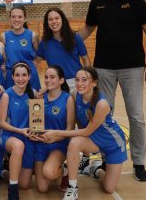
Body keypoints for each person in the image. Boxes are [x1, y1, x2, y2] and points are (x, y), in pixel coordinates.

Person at [78, 0, 146, 181]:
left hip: (132, 67)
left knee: (136, 115)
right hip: (103, 68)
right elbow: (87, 29)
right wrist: (67, 41)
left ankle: (139, 161)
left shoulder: (135, 0)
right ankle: (107, 157)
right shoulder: (97, 2)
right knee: (104, 115)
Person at [41, 67, 127, 200]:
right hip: (93, 141)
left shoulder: (102, 104)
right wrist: (46, 89)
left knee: (109, 188)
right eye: (77, 80)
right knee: (75, 143)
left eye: (84, 80)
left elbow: (87, 131)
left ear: (94, 82)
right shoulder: (76, 95)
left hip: (112, 144)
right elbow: (59, 95)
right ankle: (72, 188)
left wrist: (56, 133)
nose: (80, 83)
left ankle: (95, 170)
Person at [0, 62, 36, 200]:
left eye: (24, 75)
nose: (21, 78)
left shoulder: (34, 94)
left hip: (27, 137)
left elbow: (37, 120)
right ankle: (12, 189)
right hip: (9, 135)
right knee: (18, 146)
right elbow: (1, 123)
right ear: (12, 77)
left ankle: (4, 172)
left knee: (25, 184)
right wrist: (20, 131)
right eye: (17, 75)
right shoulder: (7, 95)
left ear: (29, 76)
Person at [34, 66, 75, 193]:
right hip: (41, 142)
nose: (48, 80)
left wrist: (54, 138)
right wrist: (37, 135)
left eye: (52, 77)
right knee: (42, 189)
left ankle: (65, 171)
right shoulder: (40, 98)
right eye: (46, 77)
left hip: (59, 143)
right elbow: (36, 125)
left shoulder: (68, 99)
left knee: (49, 173)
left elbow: (70, 129)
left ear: (61, 80)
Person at [37, 7, 91, 94]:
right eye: (50, 19)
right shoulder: (44, 42)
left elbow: (85, 58)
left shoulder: (75, 37)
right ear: (47, 23)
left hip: (76, 82)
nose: (54, 21)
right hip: (56, 84)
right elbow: (35, 61)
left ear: (63, 20)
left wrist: (87, 77)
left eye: (57, 18)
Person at [0, 6, 41, 91]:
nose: (17, 19)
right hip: (11, 75)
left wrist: (35, 62)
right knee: (11, 102)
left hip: (29, 75)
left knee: (34, 102)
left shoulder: (33, 35)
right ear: (10, 18)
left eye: (20, 17)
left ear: (25, 18)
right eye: (13, 17)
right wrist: (3, 65)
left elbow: (39, 55)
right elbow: (3, 57)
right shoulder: (4, 36)